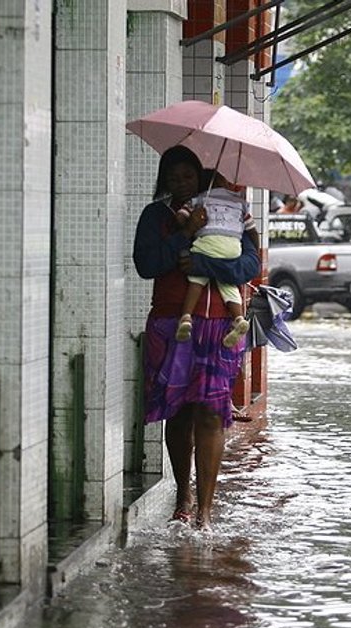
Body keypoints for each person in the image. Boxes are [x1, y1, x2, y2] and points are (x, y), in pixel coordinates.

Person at [132, 145, 261, 529]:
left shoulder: (234, 210)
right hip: (173, 323)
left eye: (188, 176)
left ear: (201, 176)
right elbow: (146, 264)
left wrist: (204, 262)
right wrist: (185, 234)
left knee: (210, 414)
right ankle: (182, 495)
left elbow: (251, 266)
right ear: (163, 181)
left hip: (221, 327)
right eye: (173, 178)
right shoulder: (157, 215)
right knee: (180, 412)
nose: (181, 183)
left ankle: (205, 510)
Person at [175, 172, 257, 348]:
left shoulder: (200, 200)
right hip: (232, 250)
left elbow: (180, 216)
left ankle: (186, 317)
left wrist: (186, 225)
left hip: (207, 246)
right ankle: (239, 318)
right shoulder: (240, 204)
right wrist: (254, 246)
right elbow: (252, 231)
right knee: (228, 285)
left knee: (197, 279)